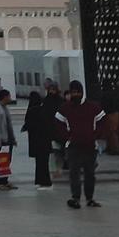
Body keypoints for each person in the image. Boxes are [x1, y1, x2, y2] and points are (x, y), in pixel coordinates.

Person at [55, 80, 105, 209]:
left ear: (82, 92)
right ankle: (75, 197)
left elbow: (101, 121)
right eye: (73, 92)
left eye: (77, 92)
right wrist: (68, 137)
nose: (75, 95)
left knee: (90, 173)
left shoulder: (93, 107)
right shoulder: (65, 108)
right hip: (73, 147)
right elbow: (58, 124)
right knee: (74, 173)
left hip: (90, 146)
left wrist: (95, 135)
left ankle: (90, 198)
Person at [21, 91, 53, 190]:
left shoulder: (32, 110)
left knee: (40, 163)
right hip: (45, 141)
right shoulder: (44, 110)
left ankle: (44, 182)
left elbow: (28, 124)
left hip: (37, 141)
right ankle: (42, 181)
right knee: (43, 163)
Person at [0, 88, 17, 190]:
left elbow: (9, 125)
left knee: (6, 161)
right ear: (4, 97)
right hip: (0, 139)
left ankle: (5, 181)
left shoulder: (4, 107)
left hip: (7, 138)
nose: (10, 98)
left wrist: (13, 139)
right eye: (9, 96)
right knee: (0, 160)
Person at [41, 81, 65, 175]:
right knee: (56, 151)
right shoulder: (52, 101)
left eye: (53, 90)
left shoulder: (49, 101)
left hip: (57, 130)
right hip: (51, 130)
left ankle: (59, 169)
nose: (52, 92)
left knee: (58, 151)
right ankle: (57, 169)